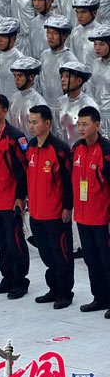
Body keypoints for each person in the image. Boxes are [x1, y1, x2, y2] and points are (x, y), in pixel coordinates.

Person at [25, 106, 75, 309]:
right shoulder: (30, 147)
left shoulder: (60, 149)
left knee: (61, 254)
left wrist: (67, 207)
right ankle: (53, 289)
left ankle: (65, 293)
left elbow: (68, 181)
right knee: (46, 255)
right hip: (36, 213)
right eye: (30, 122)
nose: (31, 126)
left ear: (47, 123)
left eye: (35, 122)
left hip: (55, 213)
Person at [0, 94, 30, 299]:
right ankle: (7, 277)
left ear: (4, 111)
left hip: (9, 201)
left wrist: (20, 197)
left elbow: (23, 169)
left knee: (15, 242)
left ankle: (20, 281)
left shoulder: (14, 138)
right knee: (0, 242)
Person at [71, 106, 110, 317]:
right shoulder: (77, 148)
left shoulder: (106, 151)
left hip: (102, 217)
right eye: (79, 124)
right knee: (91, 260)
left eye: (85, 124)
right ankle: (100, 298)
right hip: (83, 217)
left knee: (107, 260)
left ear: (97, 125)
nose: (81, 128)